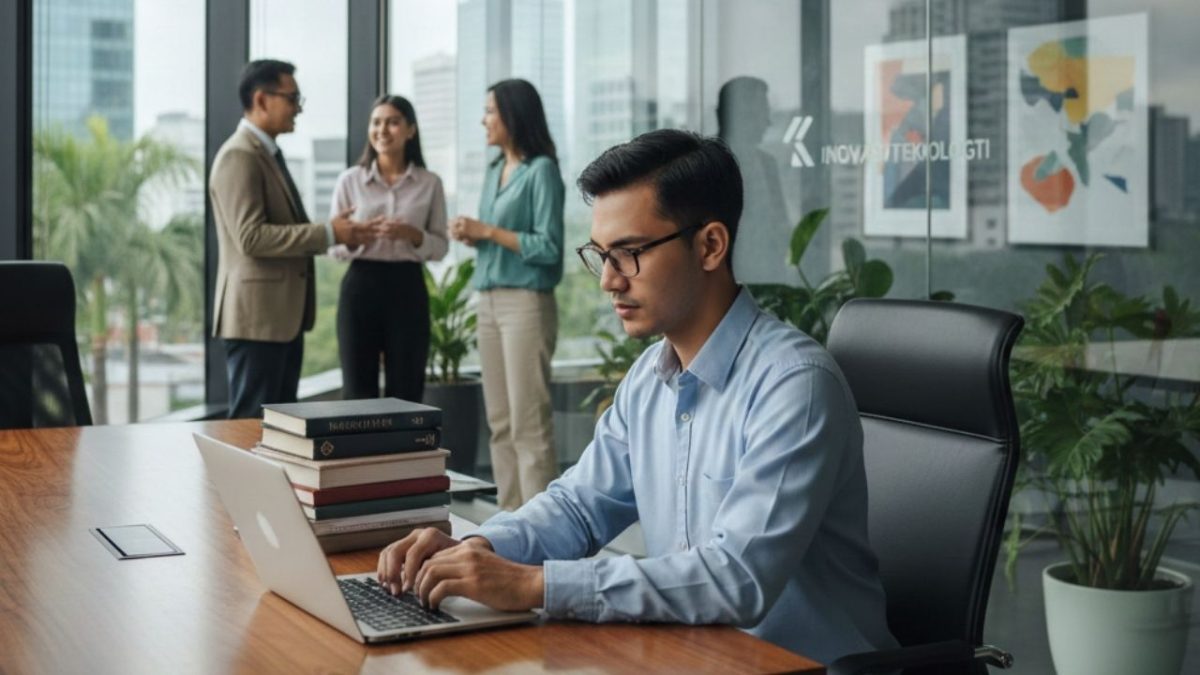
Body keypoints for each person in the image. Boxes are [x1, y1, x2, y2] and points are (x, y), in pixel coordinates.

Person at [377, 130, 898, 665]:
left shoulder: (794, 385)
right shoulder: (651, 375)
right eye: (601, 255)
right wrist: (480, 550)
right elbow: (578, 509)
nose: (607, 281)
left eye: (628, 254)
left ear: (710, 245)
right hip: (693, 654)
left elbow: (737, 579)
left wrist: (535, 586)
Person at [210, 59, 377, 418]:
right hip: (258, 319)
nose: (298, 109)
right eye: (292, 98)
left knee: (278, 429)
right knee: (251, 427)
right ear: (261, 99)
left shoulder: (266, 154)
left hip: (279, 318)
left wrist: (336, 232)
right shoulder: (239, 156)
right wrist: (330, 233)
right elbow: (251, 237)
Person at [448, 79, 564, 510]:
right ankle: (511, 525)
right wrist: (474, 237)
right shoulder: (495, 170)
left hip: (526, 305)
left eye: (491, 111)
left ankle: (543, 529)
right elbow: (498, 239)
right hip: (490, 301)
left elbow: (549, 247)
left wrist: (489, 231)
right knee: (499, 424)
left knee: (528, 425)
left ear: (514, 115)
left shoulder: (542, 172)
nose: (484, 120)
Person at [329, 94, 448, 401]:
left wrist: (413, 234)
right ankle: (359, 451)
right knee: (357, 388)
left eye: (393, 122)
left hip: (408, 288)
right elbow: (334, 246)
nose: (382, 130)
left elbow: (440, 247)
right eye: (376, 122)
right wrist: (357, 237)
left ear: (410, 130)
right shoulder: (349, 181)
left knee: (407, 389)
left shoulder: (430, 183)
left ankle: (405, 450)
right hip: (360, 285)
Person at [716, 76, 790, 283]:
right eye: (762, 112)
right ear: (743, 115)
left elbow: (780, 226)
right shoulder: (704, 164)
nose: (768, 122)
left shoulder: (768, 164)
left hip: (768, 284)